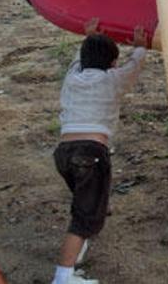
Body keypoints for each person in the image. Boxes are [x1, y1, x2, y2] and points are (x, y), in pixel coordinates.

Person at [51, 18, 147, 284]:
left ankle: (77, 251)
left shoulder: (73, 78)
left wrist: (89, 37)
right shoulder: (113, 80)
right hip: (90, 152)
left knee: (85, 203)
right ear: (112, 63)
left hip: (64, 153)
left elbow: (77, 59)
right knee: (84, 217)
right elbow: (134, 66)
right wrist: (140, 46)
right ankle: (63, 276)